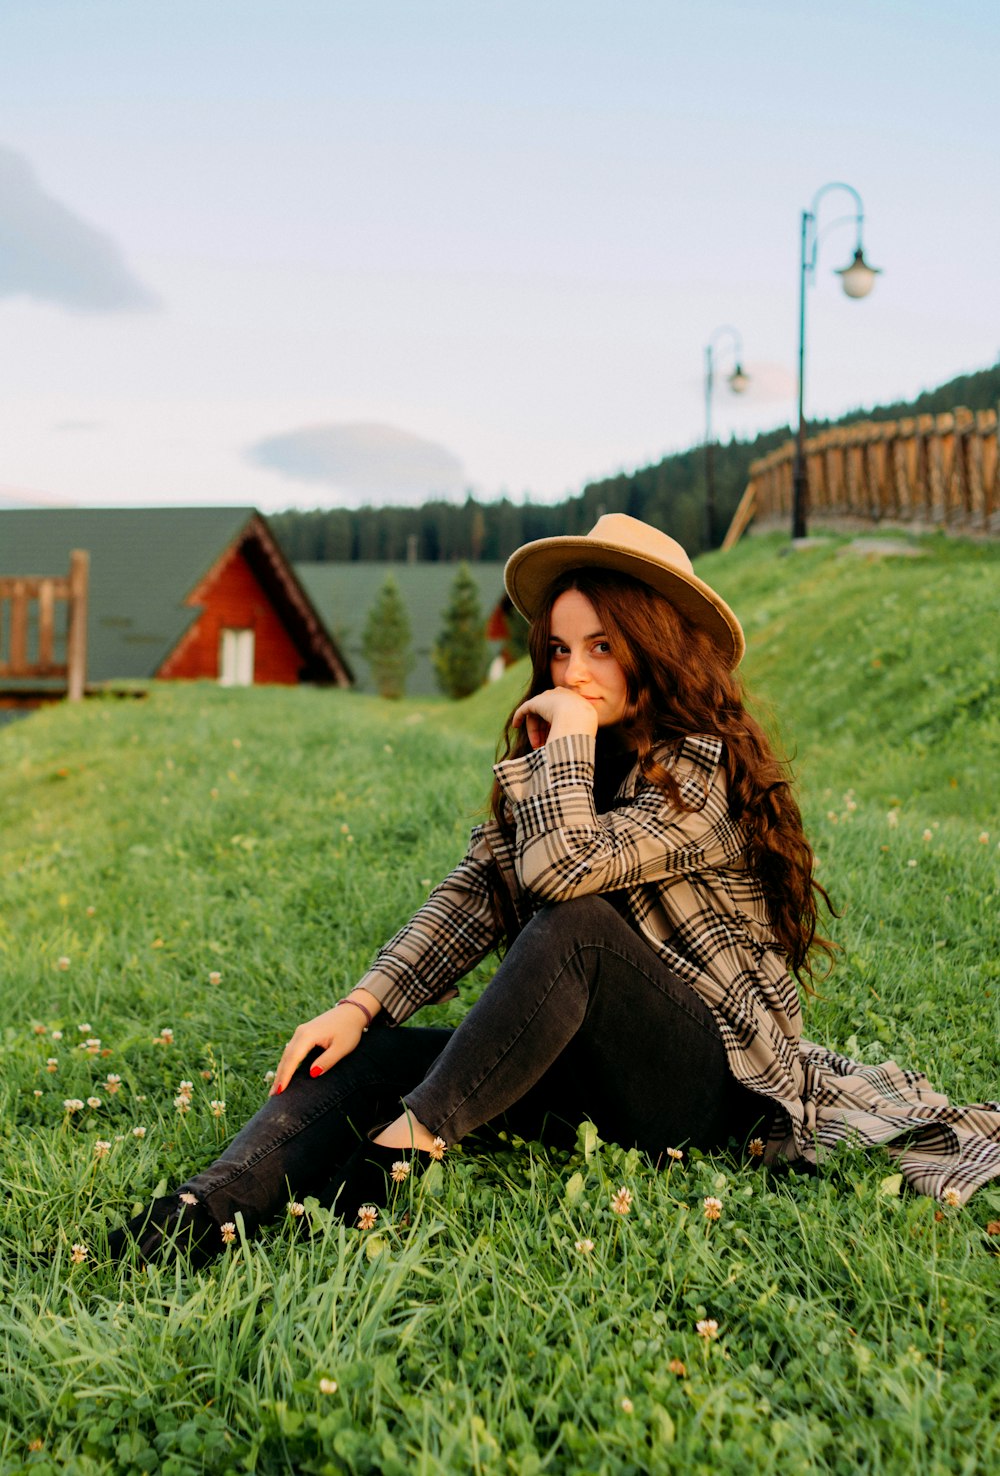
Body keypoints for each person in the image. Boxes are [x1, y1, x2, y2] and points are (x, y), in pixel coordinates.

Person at [107, 515, 1000, 1266]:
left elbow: (561, 877)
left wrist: (564, 741)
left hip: (710, 1087)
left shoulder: (706, 773)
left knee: (574, 925)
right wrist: (362, 1002)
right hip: (584, 1070)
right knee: (367, 1058)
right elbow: (476, 891)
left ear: (656, 652)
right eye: (562, 649)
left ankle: (396, 1158)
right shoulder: (558, 767)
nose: (573, 671)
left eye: (603, 648)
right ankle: (202, 1209)